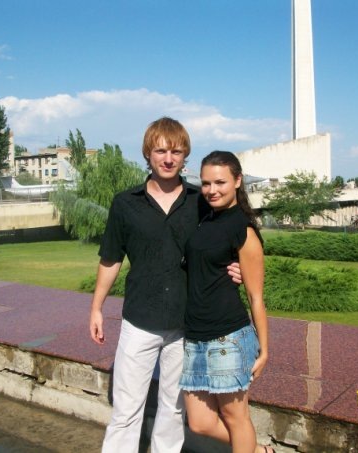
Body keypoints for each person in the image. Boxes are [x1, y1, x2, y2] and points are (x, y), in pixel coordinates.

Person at [89, 117, 241, 453]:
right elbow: (111, 258)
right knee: (126, 411)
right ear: (148, 153)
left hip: (186, 323)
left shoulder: (201, 201)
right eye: (161, 151)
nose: (168, 159)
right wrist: (96, 308)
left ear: (185, 155)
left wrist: (237, 265)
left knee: (173, 411)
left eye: (176, 151)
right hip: (139, 320)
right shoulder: (126, 203)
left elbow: (228, 239)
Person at [179, 151, 272, 453]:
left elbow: (256, 297)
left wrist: (264, 349)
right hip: (195, 337)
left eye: (220, 182)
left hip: (228, 337)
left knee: (235, 418)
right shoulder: (205, 219)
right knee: (200, 423)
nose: (212, 190)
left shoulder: (243, 229)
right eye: (206, 183)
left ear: (238, 181)